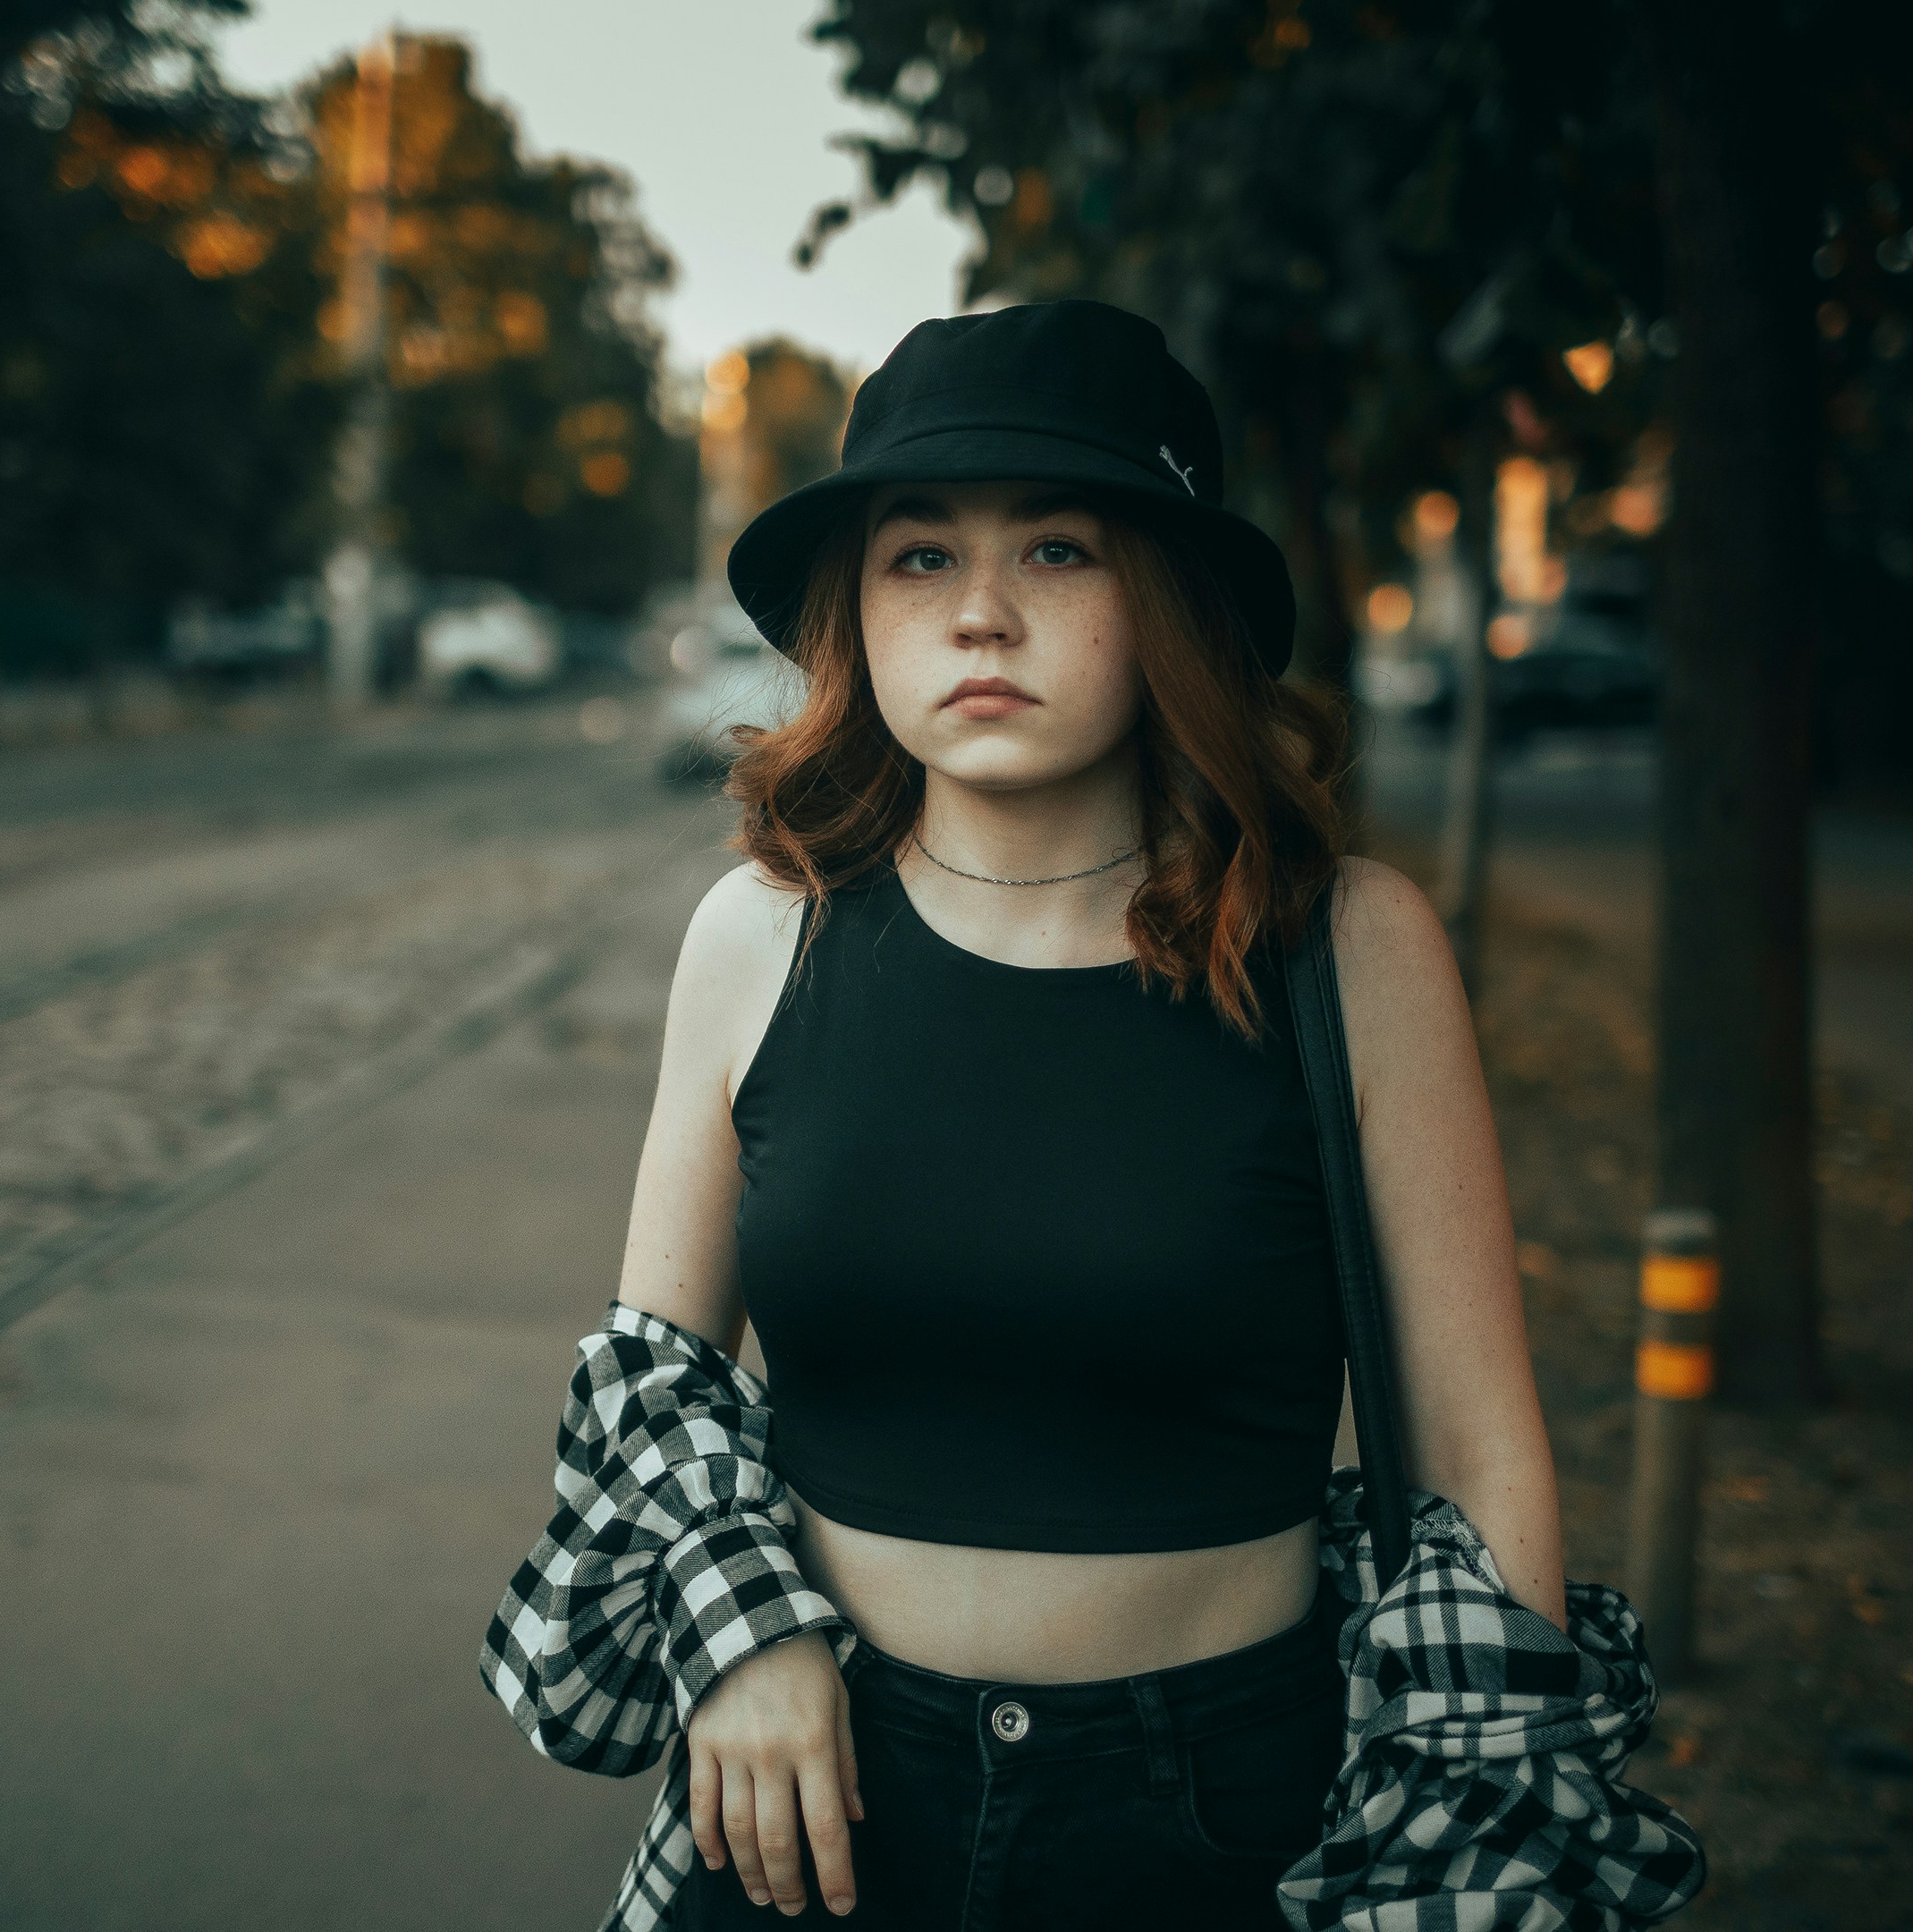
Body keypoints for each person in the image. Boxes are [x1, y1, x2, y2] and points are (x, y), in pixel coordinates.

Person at [544, 301, 1570, 1928]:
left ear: (1167, 599)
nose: (985, 619)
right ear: (856, 614)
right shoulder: (760, 935)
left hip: (1215, 1822)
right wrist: (745, 1635)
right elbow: (652, 1391)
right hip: (806, 1804)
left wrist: (1470, 1840)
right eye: (923, 558)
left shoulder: (1347, 950)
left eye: (1063, 552)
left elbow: (1480, 1464)